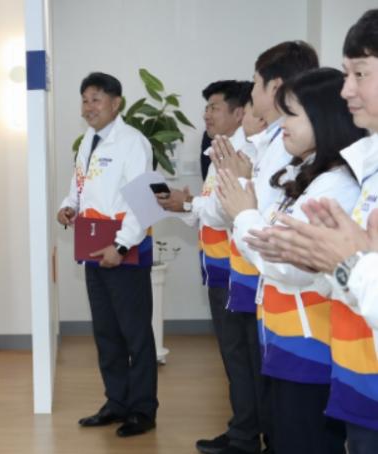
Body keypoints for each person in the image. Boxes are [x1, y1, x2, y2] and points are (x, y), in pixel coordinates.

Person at [248, 10, 378, 453]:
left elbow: (300, 264)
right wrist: (337, 265)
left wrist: (246, 218)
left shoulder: (339, 183)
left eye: (360, 74)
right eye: (345, 74)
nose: (347, 90)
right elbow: (335, 271)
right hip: (350, 371)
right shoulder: (360, 171)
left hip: (321, 353)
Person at [217, 67, 365, 454]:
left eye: (292, 114)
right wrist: (248, 210)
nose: (282, 124)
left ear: (324, 119)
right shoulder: (308, 174)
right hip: (287, 341)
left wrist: (244, 214)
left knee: (304, 439)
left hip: (309, 346)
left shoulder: (335, 185)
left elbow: (290, 262)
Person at [159, 80, 270, 454]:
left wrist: (191, 206)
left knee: (244, 358)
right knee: (237, 358)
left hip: (239, 272)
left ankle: (248, 435)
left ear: (239, 113)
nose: (206, 114)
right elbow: (214, 208)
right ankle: (244, 430)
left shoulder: (240, 153)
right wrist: (187, 205)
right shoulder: (218, 150)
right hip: (222, 269)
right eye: (206, 107)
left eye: (214, 107)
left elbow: (226, 211)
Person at [57, 72, 158, 438]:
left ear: (116, 103)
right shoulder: (89, 139)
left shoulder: (134, 142)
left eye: (96, 99)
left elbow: (144, 202)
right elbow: (80, 184)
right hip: (93, 249)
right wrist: (68, 205)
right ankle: (116, 402)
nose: (88, 107)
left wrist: (122, 245)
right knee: (106, 333)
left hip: (123, 251)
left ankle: (142, 410)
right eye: (85, 100)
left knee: (135, 334)